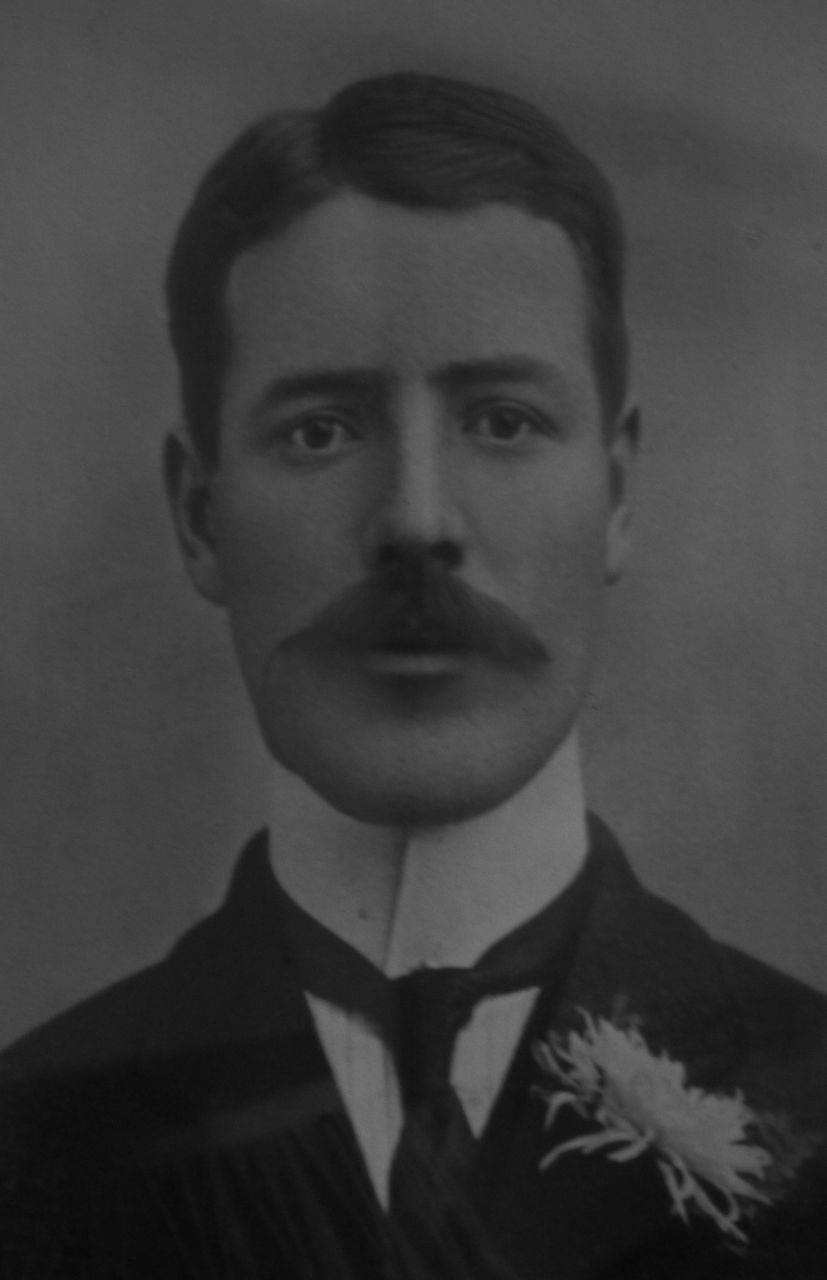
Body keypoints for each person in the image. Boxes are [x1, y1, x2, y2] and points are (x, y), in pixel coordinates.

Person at [0, 71, 824, 1280]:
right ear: (197, 515)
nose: (415, 520)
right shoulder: (26, 1143)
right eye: (320, 429)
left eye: (499, 419)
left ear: (618, 493)